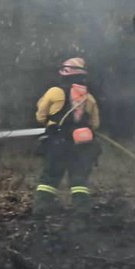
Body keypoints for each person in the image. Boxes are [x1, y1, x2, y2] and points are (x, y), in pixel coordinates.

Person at [33, 57, 100, 216]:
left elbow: (40, 117)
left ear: (65, 72)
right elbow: (95, 124)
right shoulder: (89, 98)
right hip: (81, 145)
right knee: (79, 179)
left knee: (50, 176)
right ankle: (82, 209)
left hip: (57, 143)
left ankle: (41, 208)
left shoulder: (54, 92)